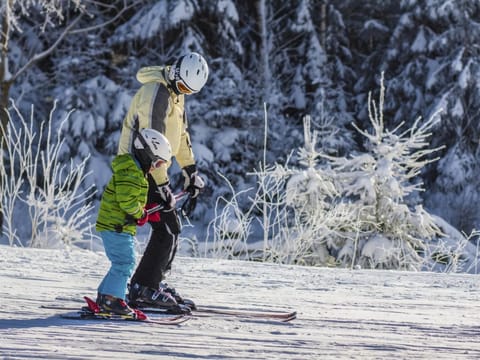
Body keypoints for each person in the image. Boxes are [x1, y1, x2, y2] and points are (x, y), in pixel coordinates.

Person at [117, 52, 208, 311]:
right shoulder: (156, 92)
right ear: (175, 73)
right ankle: (144, 288)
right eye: (181, 86)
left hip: (151, 170)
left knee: (169, 228)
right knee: (167, 229)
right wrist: (162, 183)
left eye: (188, 91)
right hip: (138, 170)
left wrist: (191, 171)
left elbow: (180, 136)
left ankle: (151, 283)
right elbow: (150, 139)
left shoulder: (175, 95)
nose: (183, 92)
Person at [95, 128, 172, 316]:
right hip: (116, 227)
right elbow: (127, 201)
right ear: (148, 155)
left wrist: (145, 211)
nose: (157, 167)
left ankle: (105, 296)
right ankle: (112, 300)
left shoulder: (134, 171)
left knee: (121, 262)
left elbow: (130, 200)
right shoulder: (131, 173)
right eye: (158, 162)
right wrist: (140, 213)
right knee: (125, 262)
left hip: (117, 225)